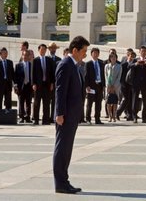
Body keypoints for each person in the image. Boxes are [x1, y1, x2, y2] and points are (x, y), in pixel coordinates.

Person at [53, 35, 89, 194]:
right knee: (62, 148)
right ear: (75, 50)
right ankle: (60, 182)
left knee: (67, 148)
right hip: (65, 115)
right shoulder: (65, 64)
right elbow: (60, 91)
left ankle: (64, 180)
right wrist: (59, 113)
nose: (85, 54)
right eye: (84, 51)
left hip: (72, 115)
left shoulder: (74, 65)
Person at [129, 46, 146, 123]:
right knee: (135, 100)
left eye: (145, 51)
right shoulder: (135, 60)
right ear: (139, 52)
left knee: (145, 101)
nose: (144, 53)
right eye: (142, 51)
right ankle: (134, 116)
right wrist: (136, 63)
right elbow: (129, 66)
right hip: (136, 83)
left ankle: (144, 118)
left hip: (145, 83)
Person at [33, 44, 55, 125]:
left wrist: (52, 83)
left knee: (46, 103)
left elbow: (52, 73)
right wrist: (34, 84)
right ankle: (35, 120)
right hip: (38, 85)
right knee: (36, 103)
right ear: (39, 50)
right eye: (41, 49)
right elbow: (33, 73)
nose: (43, 51)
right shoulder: (35, 60)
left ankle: (46, 120)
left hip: (47, 85)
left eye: (44, 49)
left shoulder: (49, 60)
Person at [0, 47, 15, 117]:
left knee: (8, 100)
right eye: (4, 53)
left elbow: (12, 74)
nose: (5, 54)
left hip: (8, 85)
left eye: (6, 53)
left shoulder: (10, 62)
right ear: (0, 54)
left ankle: (8, 115)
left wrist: (15, 83)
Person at [85, 48, 105, 124]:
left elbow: (103, 75)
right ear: (91, 54)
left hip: (99, 85)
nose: (95, 54)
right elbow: (86, 76)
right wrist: (87, 86)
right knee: (89, 103)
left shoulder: (101, 63)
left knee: (98, 103)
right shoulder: (88, 64)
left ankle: (97, 119)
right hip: (91, 86)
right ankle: (88, 119)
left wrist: (103, 85)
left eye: (97, 53)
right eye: (94, 53)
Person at [15, 50, 33, 123]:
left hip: (29, 86)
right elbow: (15, 77)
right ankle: (21, 117)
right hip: (21, 86)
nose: (25, 57)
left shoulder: (31, 65)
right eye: (24, 55)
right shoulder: (18, 65)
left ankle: (28, 117)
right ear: (22, 56)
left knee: (29, 102)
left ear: (29, 56)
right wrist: (15, 86)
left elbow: (33, 76)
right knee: (21, 102)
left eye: (26, 55)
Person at [117, 51, 136, 121]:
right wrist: (121, 84)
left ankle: (129, 115)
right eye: (131, 56)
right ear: (128, 56)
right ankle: (117, 113)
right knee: (125, 99)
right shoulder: (124, 64)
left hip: (131, 85)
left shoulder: (134, 64)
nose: (132, 58)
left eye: (133, 57)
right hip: (124, 85)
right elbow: (121, 75)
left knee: (130, 100)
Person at [104, 52, 122, 122]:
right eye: (111, 57)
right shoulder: (107, 66)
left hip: (116, 86)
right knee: (108, 102)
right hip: (108, 86)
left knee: (114, 102)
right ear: (110, 58)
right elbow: (105, 76)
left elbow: (119, 77)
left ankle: (114, 116)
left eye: (114, 57)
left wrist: (114, 86)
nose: (113, 58)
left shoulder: (119, 66)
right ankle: (110, 116)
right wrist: (108, 86)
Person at [48, 42, 62, 122]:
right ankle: (46, 116)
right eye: (51, 48)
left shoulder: (59, 59)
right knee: (47, 101)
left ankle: (53, 116)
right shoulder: (46, 58)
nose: (53, 50)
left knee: (54, 101)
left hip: (56, 83)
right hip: (47, 83)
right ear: (49, 49)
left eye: (54, 48)